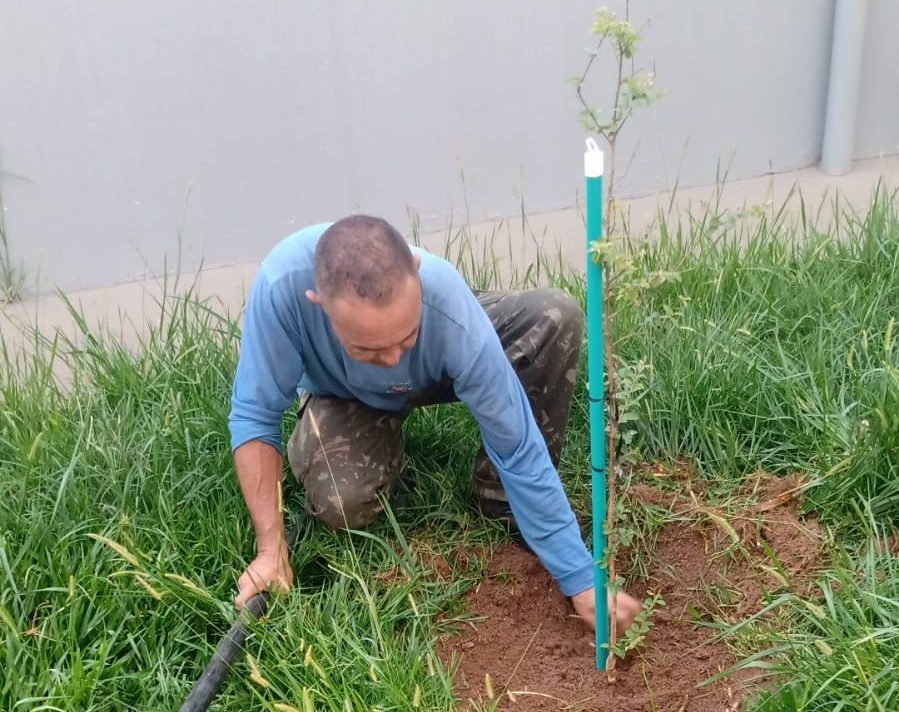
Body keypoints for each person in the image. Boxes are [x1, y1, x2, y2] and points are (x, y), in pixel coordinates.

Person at [228, 214, 640, 632]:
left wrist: (579, 577)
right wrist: (271, 549)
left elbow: (517, 446)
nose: (393, 359)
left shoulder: (447, 305)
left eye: (404, 338)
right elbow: (255, 416)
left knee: (553, 315)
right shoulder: (282, 287)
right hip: (344, 392)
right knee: (342, 500)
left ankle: (498, 496)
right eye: (369, 347)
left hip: (438, 361)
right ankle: (373, 429)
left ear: (417, 271)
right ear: (318, 301)